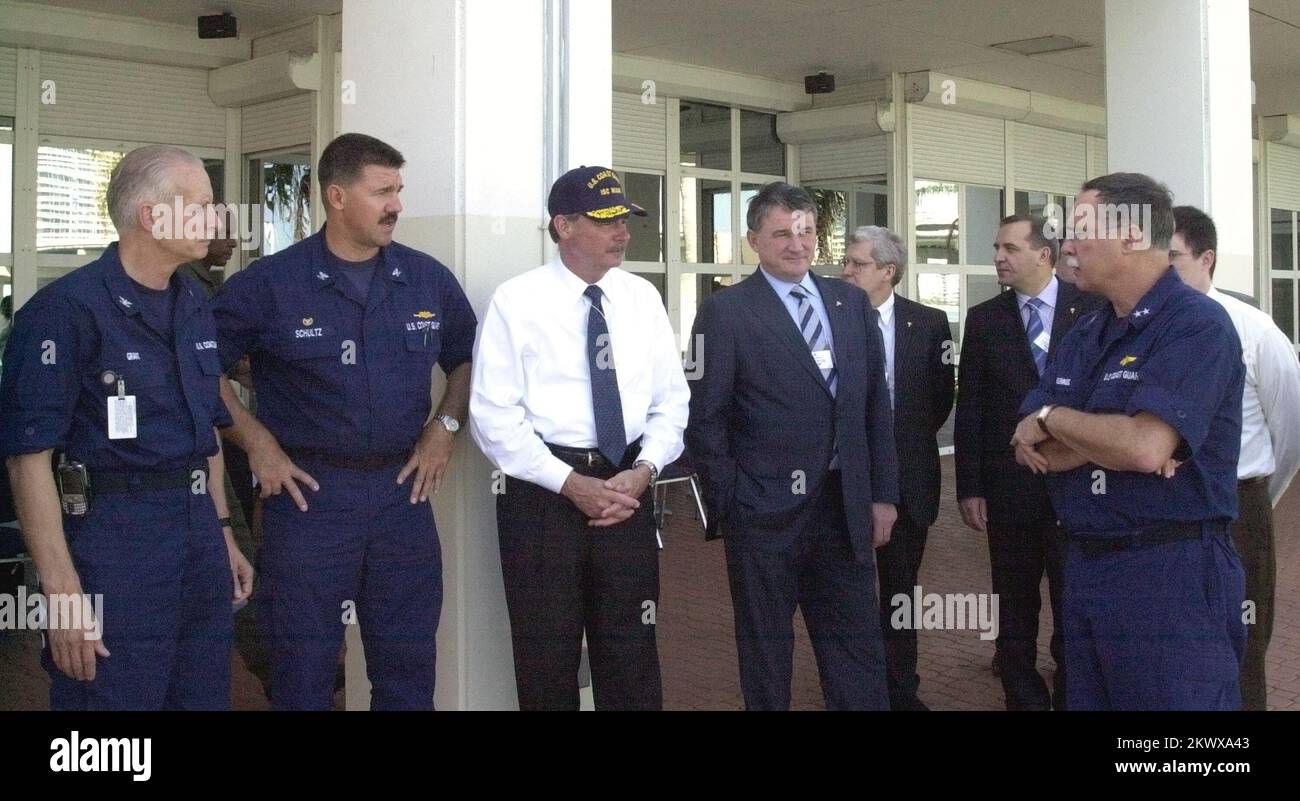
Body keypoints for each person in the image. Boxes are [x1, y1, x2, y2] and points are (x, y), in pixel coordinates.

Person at [213, 133, 476, 710]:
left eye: (398, 190)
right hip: (308, 499)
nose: (397, 205)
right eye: (383, 191)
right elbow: (196, 369)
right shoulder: (270, 284)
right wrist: (255, 440)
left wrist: (445, 427)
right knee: (302, 672)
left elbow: (466, 357)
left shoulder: (425, 278)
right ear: (336, 196)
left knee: (407, 670)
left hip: (401, 495)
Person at [0, 144, 252, 709]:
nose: (218, 221)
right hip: (113, 540)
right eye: (205, 206)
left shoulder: (193, 302)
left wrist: (223, 533)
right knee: (113, 711)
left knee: (201, 694)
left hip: (195, 536)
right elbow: (27, 460)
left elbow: (207, 432)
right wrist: (62, 596)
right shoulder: (65, 313)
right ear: (152, 216)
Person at [1014, 172, 1246, 710]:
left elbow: (1142, 449)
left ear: (1132, 236)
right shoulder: (1087, 332)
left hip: (1172, 573)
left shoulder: (1197, 326)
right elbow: (1034, 449)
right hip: (1088, 567)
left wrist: (1054, 415)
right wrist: (1104, 433)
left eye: (1078, 230)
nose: (1065, 246)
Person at [471, 166, 687, 710]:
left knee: (632, 650)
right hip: (543, 495)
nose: (622, 232)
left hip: (626, 488)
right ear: (562, 225)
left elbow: (672, 401)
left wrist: (646, 470)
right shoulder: (516, 301)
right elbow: (493, 415)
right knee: (546, 656)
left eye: (625, 219)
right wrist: (570, 484)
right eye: (605, 219)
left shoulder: (642, 298)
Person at [686, 182, 898, 711]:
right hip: (763, 516)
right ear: (753, 239)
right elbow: (705, 419)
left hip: (843, 509)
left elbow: (874, 408)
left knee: (856, 649)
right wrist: (732, 503)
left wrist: (882, 496)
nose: (797, 244)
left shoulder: (850, 302)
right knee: (766, 655)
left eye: (806, 231)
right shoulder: (725, 312)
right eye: (782, 233)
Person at [955, 214, 1097, 710]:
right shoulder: (984, 318)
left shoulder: (1093, 309)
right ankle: (1025, 701)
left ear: (1044, 255)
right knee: (1014, 612)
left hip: (1076, 489)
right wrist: (969, 486)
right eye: (997, 247)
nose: (998, 256)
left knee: (1073, 606)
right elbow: (969, 405)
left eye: (1010, 248)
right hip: (1008, 491)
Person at [1169, 204, 1300, 710]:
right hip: (1166, 507)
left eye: (1174, 257)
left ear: (1207, 259)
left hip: (1237, 509)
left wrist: (1252, 496)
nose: (1163, 269)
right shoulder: (1144, 330)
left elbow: (1288, 430)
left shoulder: (1255, 330)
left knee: (1240, 644)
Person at [839, 225, 953, 711]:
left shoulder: (928, 324)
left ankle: (901, 690)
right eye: (845, 262)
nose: (845, 272)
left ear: (888, 272)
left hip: (910, 483)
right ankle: (855, 692)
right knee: (846, 595)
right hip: (842, 481)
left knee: (900, 595)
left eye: (857, 264)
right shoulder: (826, 318)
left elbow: (939, 400)